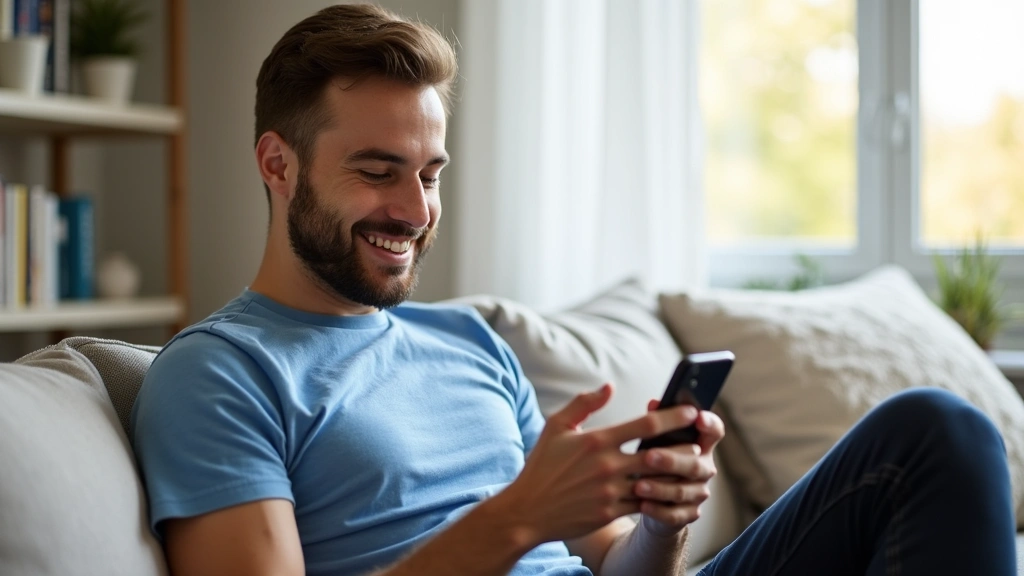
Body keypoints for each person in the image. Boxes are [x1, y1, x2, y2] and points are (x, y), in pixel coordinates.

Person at [130, 5, 1017, 575]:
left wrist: (661, 522)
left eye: (430, 174)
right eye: (377, 171)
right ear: (277, 164)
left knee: (934, 433)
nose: (413, 208)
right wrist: (517, 519)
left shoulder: (469, 342)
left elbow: (613, 565)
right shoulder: (220, 374)